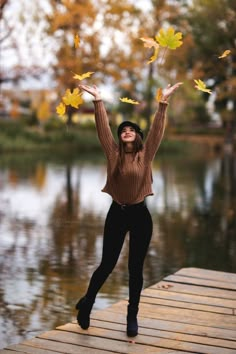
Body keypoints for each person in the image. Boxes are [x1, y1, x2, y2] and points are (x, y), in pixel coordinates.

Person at [76, 82, 182, 337]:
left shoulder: (146, 155)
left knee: (136, 268)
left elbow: (157, 130)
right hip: (117, 214)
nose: (126, 130)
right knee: (107, 264)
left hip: (140, 216)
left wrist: (163, 103)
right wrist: (98, 100)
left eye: (131, 129)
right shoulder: (113, 154)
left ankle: (132, 316)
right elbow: (103, 130)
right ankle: (87, 303)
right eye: (123, 129)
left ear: (137, 135)